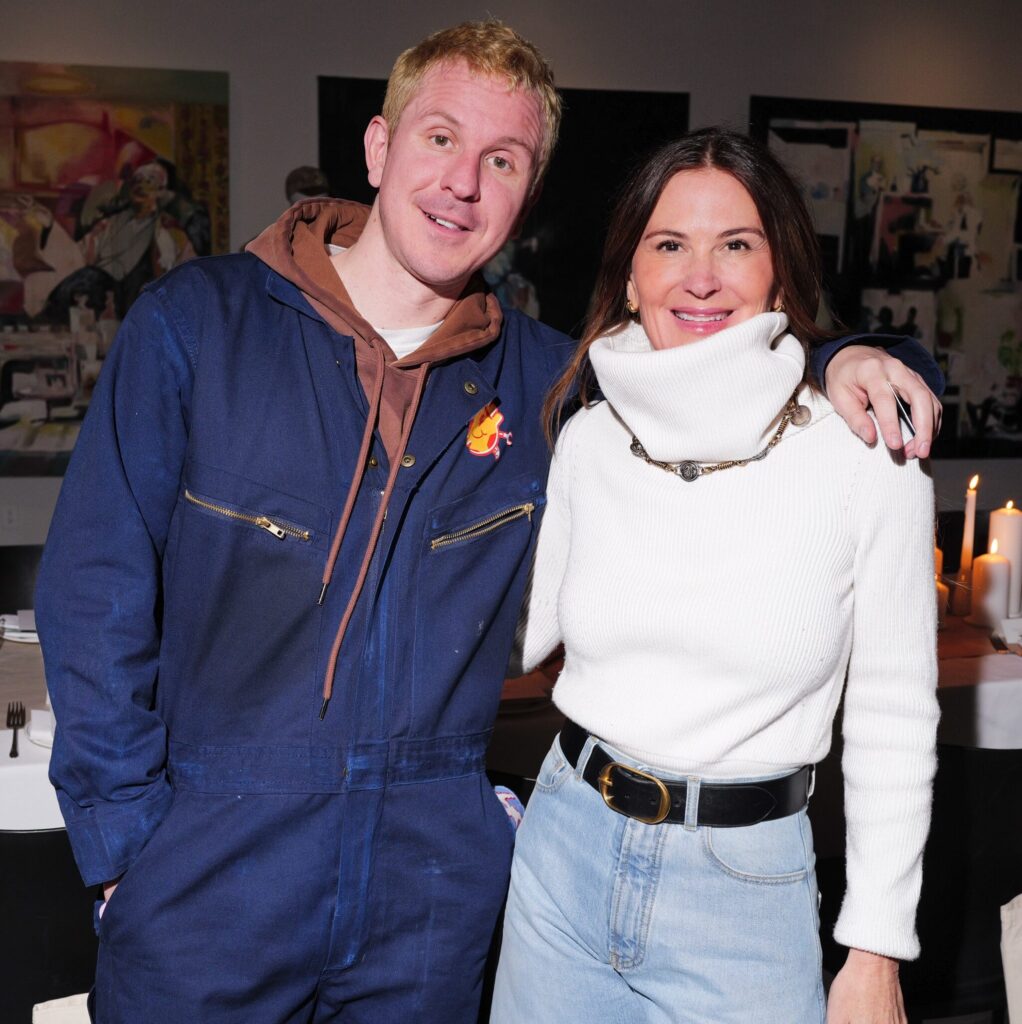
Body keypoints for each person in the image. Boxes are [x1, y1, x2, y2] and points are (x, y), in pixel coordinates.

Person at [35, 21, 940, 1024]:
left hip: (426, 905)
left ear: (526, 195)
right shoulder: (198, 326)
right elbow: (93, 592)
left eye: (501, 160)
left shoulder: (548, 383)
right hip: (208, 880)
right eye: (439, 139)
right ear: (378, 146)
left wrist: (852, 355)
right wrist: (125, 851)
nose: (462, 183)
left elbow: (710, 363)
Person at [491, 128, 940, 1024]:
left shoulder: (864, 455)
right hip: (563, 851)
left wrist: (876, 950)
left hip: (744, 893)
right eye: (669, 246)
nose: (700, 278)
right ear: (631, 278)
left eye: (735, 244)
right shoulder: (587, 438)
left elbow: (894, 714)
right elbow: (520, 635)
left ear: (779, 274)